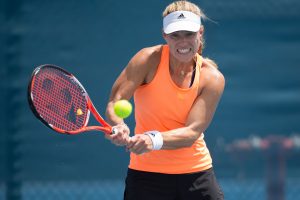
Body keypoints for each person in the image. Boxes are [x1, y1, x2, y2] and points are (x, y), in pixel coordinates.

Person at [105, 1, 225, 199]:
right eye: (175, 35)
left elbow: (192, 132)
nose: (183, 42)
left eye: (189, 34)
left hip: (196, 175)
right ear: (164, 35)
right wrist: (119, 126)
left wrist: (152, 140)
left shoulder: (212, 78)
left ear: (200, 33)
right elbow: (115, 101)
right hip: (146, 176)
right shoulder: (147, 59)